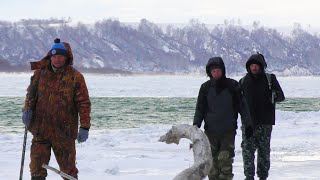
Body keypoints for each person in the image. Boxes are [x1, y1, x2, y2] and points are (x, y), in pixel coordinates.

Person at [22, 38, 91, 180]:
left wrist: (85, 126)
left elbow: (83, 103)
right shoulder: (39, 74)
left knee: (68, 172)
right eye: (55, 56)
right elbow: (31, 95)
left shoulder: (75, 77)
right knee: (36, 169)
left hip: (64, 133)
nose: (57, 60)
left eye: (61, 56)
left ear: (66, 58)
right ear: (50, 57)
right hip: (40, 130)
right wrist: (26, 110)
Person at [193, 57, 251, 180]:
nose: (216, 73)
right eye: (213, 71)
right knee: (212, 162)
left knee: (225, 160)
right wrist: (196, 125)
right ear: (209, 72)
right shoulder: (205, 87)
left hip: (228, 131)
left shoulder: (232, 85)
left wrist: (248, 124)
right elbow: (200, 108)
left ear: (223, 71)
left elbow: (242, 106)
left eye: (218, 70)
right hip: (210, 131)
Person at [240, 53, 285, 180]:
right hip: (248, 123)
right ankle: (249, 176)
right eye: (252, 66)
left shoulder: (270, 79)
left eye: (256, 65)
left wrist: (271, 96)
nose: (254, 68)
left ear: (261, 66)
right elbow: (237, 102)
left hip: (265, 123)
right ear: (248, 67)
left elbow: (281, 96)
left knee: (264, 152)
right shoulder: (243, 81)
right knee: (247, 152)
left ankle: (263, 176)